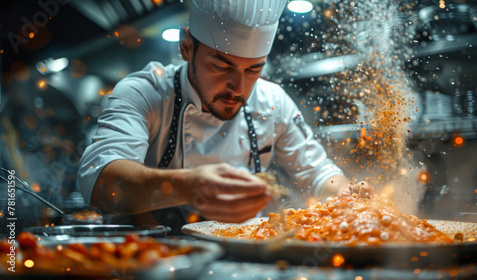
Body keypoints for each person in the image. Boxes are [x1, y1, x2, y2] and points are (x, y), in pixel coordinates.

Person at [77, 0, 373, 232]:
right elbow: (100, 184)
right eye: (221, 67)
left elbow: (318, 173)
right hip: (155, 263)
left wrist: (347, 193)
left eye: (254, 69)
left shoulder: (274, 102)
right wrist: (187, 186)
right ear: (186, 47)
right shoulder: (144, 93)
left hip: (249, 259)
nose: (238, 88)